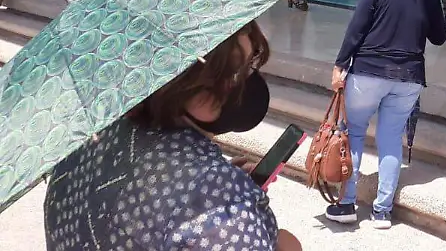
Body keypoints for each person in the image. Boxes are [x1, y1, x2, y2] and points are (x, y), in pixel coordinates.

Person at [43, 19, 303, 250]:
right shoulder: (218, 199)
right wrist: (223, 192)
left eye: (250, 63)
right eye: (230, 73)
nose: (242, 84)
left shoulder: (86, 138)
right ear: (179, 81)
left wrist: (219, 180)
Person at [327, 0, 446, 229]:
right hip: (409, 78)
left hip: (368, 72)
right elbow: (440, 37)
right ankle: (382, 212)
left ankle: (346, 204)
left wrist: (340, 64)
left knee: (353, 133)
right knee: (391, 139)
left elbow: (357, 27)